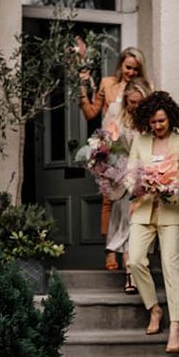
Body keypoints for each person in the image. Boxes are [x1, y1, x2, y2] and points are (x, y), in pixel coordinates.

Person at [125, 90, 179, 354]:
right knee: (135, 259)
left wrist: (170, 186)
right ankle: (154, 308)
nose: (157, 126)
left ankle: (176, 326)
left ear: (171, 118)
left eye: (161, 121)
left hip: (172, 211)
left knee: (170, 264)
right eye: (153, 122)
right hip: (143, 209)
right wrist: (143, 184)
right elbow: (131, 176)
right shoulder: (140, 141)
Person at [74, 38, 149, 270]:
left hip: (132, 148)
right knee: (109, 200)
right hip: (111, 148)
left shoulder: (145, 88)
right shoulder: (108, 84)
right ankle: (110, 252)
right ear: (120, 66)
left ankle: (123, 251)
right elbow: (91, 113)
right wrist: (82, 88)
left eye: (136, 69)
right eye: (128, 67)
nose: (131, 72)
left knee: (129, 204)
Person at [100, 77, 151, 293]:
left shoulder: (151, 118)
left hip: (145, 180)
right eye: (132, 103)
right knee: (127, 225)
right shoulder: (114, 112)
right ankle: (130, 274)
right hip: (121, 178)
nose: (135, 107)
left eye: (140, 103)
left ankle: (134, 272)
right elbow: (104, 143)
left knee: (137, 227)